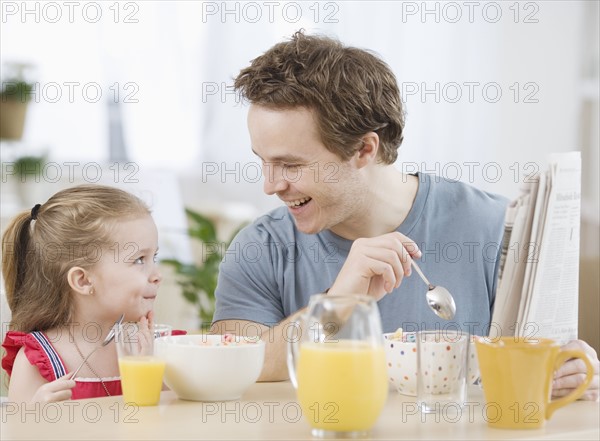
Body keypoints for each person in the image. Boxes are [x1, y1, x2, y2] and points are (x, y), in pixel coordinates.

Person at [211, 31, 599, 400]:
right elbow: (237, 365)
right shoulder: (259, 248)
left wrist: (572, 374)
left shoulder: (497, 229)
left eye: (290, 165)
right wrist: (339, 301)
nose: (270, 186)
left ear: (364, 149)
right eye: (262, 161)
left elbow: (541, 368)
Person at [2, 184, 161, 402]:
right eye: (139, 260)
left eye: (155, 257)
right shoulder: (36, 362)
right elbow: (16, 434)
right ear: (83, 280)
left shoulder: (156, 348)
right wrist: (35, 417)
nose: (157, 275)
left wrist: (150, 372)